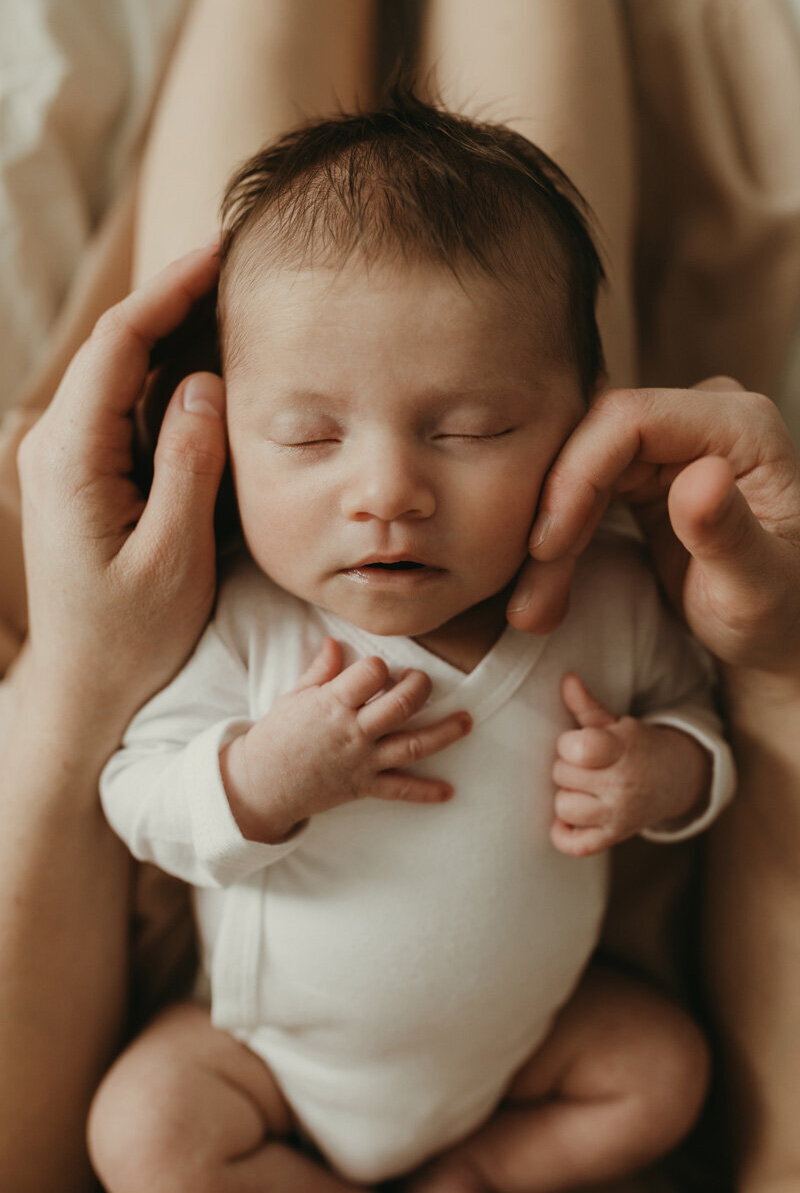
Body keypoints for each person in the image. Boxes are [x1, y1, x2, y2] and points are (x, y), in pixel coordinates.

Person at [85, 94, 735, 1193]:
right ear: (229, 443)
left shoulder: (612, 597)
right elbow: (138, 800)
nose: (387, 492)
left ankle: (481, 1170)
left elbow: (698, 720)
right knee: (143, 1133)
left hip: (526, 1048)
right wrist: (260, 776)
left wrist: (663, 773)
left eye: (468, 430)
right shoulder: (248, 619)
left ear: (585, 424)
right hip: (269, 1058)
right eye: (308, 436)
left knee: (661, 1068)